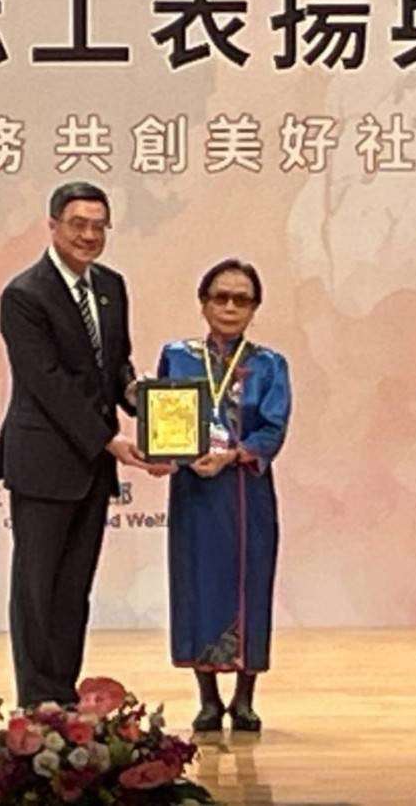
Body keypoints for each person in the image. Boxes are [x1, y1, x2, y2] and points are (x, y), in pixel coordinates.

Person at [0, 181, 152, 709]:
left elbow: (115, 364)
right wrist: (110, 439)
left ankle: (63, 695)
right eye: (78, 224)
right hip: (44, 461)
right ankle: (38, 701)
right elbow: (47, 382)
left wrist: (140, 399)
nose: (89, 235)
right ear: (53, 225)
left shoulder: (111, 286)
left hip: (92, 466)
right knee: (37, 588)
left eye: (99, 226)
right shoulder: (25, 295)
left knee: (73, 590)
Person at [155, 258, 291, 733]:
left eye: (242, 299)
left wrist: (233, 456)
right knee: (197, 585)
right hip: (194, 491)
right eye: (221, 297)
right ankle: (208, 699)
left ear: (254, 308)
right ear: (203, 302)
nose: (230, 307)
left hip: (246, 492)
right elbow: (164, 415)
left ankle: (245, 699)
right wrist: (172, 454)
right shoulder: (177, 357)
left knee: (250, 584)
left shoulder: (270, 364)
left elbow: (273, 427)